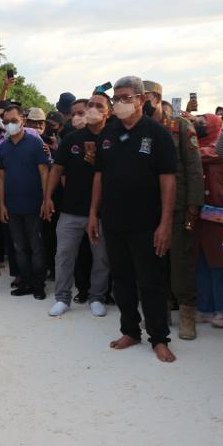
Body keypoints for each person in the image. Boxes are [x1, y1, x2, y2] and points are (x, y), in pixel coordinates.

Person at [87, 76, 178, 363]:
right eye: (117, 98)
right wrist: (93, 213)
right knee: (122, 279)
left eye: (127, 97)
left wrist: (165, 223)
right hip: (113, 221)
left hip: (147, 223)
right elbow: (99, 176)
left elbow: (168, 181)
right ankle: (130, 330)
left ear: (141, 100)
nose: (120, 103)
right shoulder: (109, 133)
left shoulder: (157, 134)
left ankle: (159, 338)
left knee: (151, 282)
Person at [142, 79, 205, 339]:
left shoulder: (180, 126)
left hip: (178, 205)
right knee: (154, 262)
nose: (138, 102)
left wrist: (193, 205)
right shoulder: (140, 128)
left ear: (156, 98)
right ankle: (162, 310)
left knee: (181, 261)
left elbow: (194, 168)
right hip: (148, 206)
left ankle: (187, 313)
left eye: (143, 97)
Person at [44, 92, 110, 317]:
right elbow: (57, 169)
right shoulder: (72, 138)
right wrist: (48, 197)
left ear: (108, 111)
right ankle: (62, 298)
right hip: (71, 209)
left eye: (96, 106)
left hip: (102, 212)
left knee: (101, 257)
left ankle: (97, 297)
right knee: (63, 254)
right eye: (88, 106)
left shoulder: (113, 138)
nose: (92, 110)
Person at [0, 104, 51, 300]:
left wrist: (46, 200)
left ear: (23, 121)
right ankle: (25, 282)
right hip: (12, 206)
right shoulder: (3, 147)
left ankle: (39, 285)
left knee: (37, 246)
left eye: (14, 120)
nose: (10, 124)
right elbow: (0, 177)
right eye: (6, 121)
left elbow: (44, 172)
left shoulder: (35, 144)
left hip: (34, 204)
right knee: (19, 247)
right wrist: (2, 204)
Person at [194, 113, 223, 329]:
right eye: (196, 122)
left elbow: (207, 155)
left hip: (220, 215)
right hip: (197, 214)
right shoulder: (195, 146)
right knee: (201, 260)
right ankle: (206, 307)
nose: (199, 125)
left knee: (221, 260)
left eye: (204, 122)